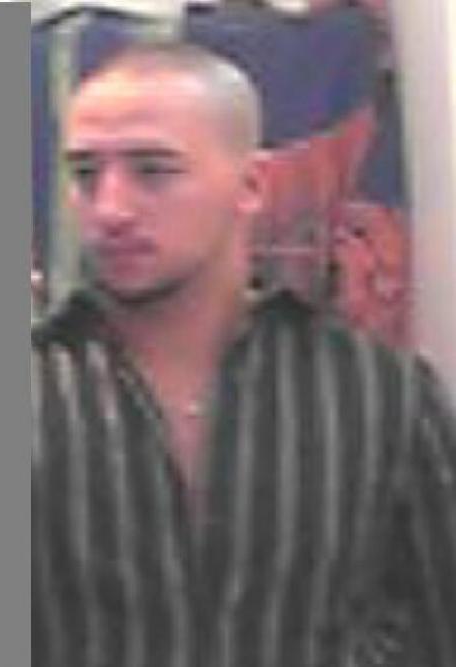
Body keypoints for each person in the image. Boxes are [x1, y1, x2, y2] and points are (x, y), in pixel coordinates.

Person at [32, 42, 456, 667]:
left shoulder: (379, 396)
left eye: (153, 171)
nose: (110, 208)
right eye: (86, 174)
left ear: (251, 185)